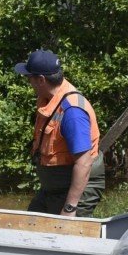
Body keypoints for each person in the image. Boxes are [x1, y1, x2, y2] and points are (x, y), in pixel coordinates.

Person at [15, 49, 105, 217]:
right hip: (55, 186)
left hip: (76, 188)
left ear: (41, 80)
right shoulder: (52, 98)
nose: (29, 83)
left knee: (63, 235)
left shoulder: (72, 113)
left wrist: (70, 208)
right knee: (30, 222)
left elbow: (84, 163)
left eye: (30, 78)